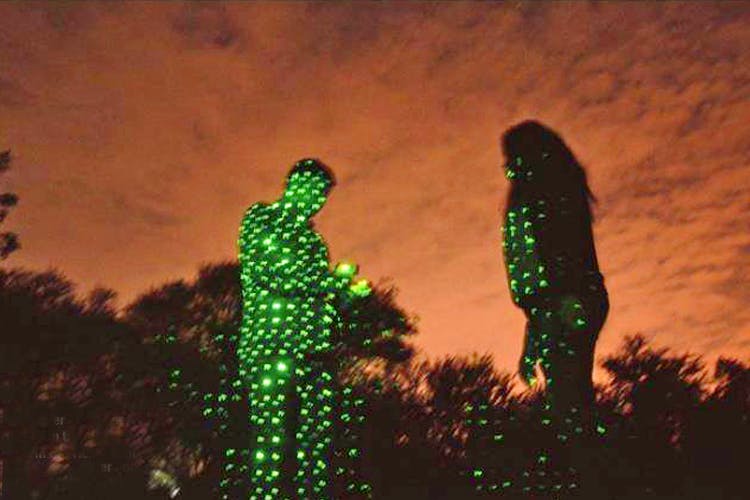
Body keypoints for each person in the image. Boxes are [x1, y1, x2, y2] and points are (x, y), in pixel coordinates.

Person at [232, 158, 371, 499]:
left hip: (316, 353)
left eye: (323, 195)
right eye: (312, 190)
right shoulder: (261, 218)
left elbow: (323, 306)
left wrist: (347, 296)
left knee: (317, 449)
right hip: (271, 349)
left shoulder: (315, 244)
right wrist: (329, 281)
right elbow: (272, 273)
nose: (317, 201)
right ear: (292, 183)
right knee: (269, 444)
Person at [500, 121, 609, 495]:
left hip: (568, 303)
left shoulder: (551, 192)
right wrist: (534, 334)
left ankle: (586, 483)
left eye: (512, 156)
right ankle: (580, 478)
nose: (507, 166)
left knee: (569, 407)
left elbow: (562, 257)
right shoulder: (541, 193)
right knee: (567, 403)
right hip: (560, 305)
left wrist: (562, 308)